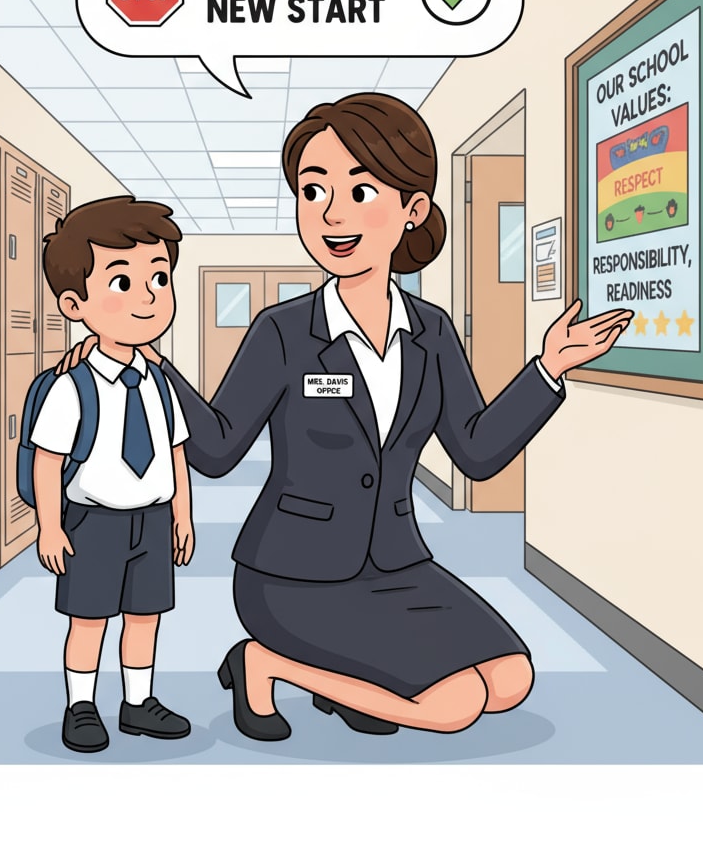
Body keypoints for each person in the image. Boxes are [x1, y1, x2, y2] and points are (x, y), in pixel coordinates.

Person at [63, 94, 631, 740]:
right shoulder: (284, 332)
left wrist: (547, 369)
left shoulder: (432, 333)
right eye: (312, 190)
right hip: (292, 576)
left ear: (413, 210)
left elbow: (475, 451)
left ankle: (351, 687)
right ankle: (263, 662)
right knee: (453, 706)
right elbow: (218, 449)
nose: (331, 213)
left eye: (360, 191)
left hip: (397, 565)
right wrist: (151, 362)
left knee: (509, 680)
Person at [31, 196, 194, 753]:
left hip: (150, 520)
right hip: (93, 523)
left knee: (145, 616)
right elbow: (47, 461)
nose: (148, 297)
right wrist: (50, 528)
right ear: (75, 304)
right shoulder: (70, 386)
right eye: (122, 283)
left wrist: (183, 515)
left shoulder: (159, 379)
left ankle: (138, 701)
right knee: (89, 619)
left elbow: (175, 450)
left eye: (160, 277)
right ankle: (81, 705)